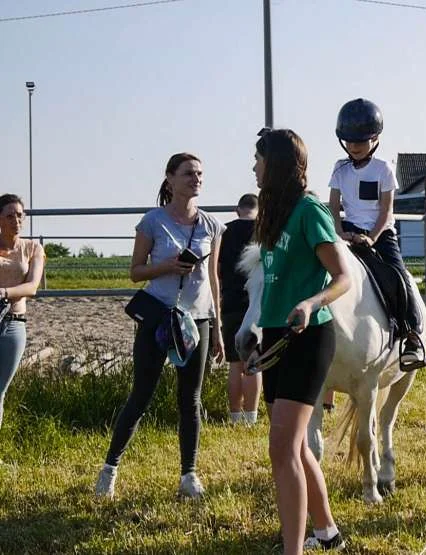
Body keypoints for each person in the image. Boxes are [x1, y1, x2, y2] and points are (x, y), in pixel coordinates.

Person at [95, 153, 225, 500]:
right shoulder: (152, 222)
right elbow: (136, 271)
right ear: (169, 179)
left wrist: (219, 328)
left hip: (197, 320)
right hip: (159, 318)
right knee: (142, 394)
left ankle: (189, 475)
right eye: (188, 173)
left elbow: (214, 280)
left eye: (199, 173)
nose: (195, 178)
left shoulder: (212, 225)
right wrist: (166, 266)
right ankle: (110, 468)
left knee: (191, 399)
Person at [253, 129, 350, 553]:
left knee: (282, 449)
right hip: (277, 335)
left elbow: (342, 277)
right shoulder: (271, 214)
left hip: (309, 334)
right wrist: (258, 332)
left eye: (258, 159)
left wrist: (311, 303)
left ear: (274, 164)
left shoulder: (310, 210)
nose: (253, 167)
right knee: (293, 446)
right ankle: (327, 533)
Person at [328, 98, 426, 373]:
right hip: (348, 233)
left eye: (361, 141)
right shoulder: (339, 168)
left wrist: (372, 237)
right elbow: (334, 206)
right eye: (349, 141)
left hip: (381, 234)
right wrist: (339, 232)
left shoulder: (384, 169)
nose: (354, 146)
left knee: (398, 275)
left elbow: (386, 211)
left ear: (375, 138)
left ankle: (412, 336)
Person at [0, 194, 45, 430]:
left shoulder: (32, 248)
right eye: (9, 216)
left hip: (12, 322)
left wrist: (4, 293)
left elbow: (32, 287)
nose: (15, 220)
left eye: (19, 215)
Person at [219, 193, 260, 425]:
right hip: (256, 302)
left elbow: (217, 267)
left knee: (234, 363)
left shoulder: (225, 231)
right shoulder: (264, 230)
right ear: (259, 209)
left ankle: (234, 416)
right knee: (254, 360)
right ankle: (251, 418)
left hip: (231, 302)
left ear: (237, 210)